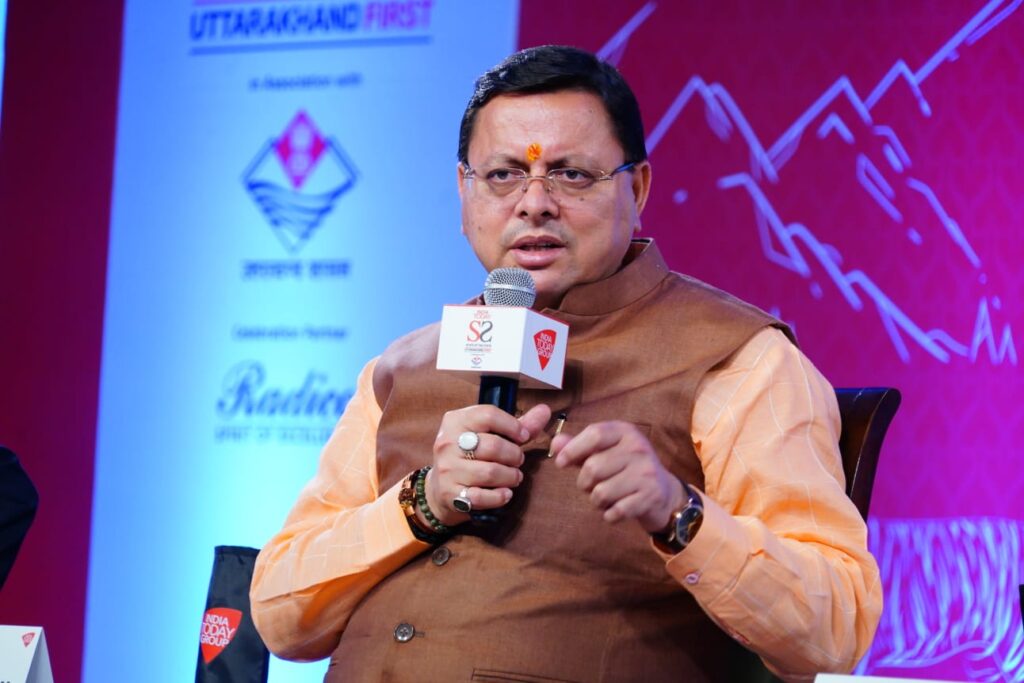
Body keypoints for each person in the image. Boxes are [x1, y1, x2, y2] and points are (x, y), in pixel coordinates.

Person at [251, 45, 881, 682]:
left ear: (637, 188)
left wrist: (678, 514)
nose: (534, 203)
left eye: (572, 175)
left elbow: (837, 630)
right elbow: (282, 618)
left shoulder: (738, 360)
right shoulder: (401, 368)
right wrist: (423, 503)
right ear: (463, 193)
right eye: (503, 175)